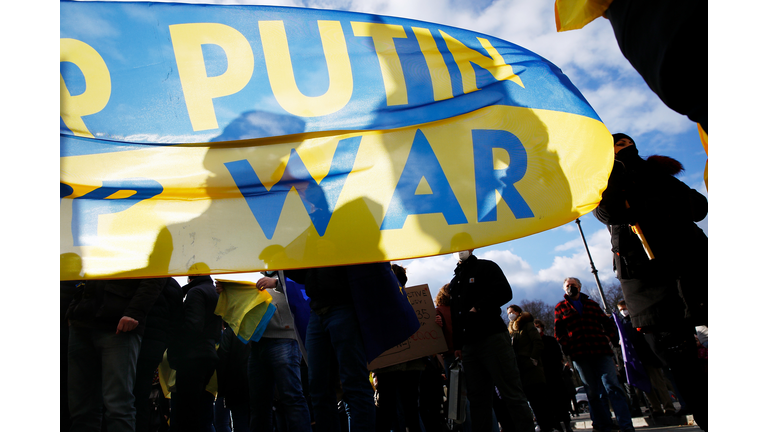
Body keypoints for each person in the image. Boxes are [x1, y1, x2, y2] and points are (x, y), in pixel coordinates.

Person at [593, 133, 708, 429]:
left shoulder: (657, 172)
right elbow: (610, 212)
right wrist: (613, 172)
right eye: (617, 145)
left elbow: (698, 206)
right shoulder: (600, 179)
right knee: (681, 364)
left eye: (627, 142)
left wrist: (655, 203)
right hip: (648, 284)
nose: (625, 146)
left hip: (693, 267)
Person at [448, 249, 535, 432]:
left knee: (511, 393)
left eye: (463, 246)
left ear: (472, 248)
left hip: (492, 338)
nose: (459, 251)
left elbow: (504, 292)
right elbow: (456, 316)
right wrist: (458, 345)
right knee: (478, 400)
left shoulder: (486, 267)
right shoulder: (454, 282)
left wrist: (477, 308)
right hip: (469, 346)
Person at [66, 277, 166, 432]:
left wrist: (135, 312)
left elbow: (155, 276)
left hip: (117, 322)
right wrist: (74, 309)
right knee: (83, 406)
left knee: (117, 405)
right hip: (86, 320)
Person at [554, 277, 634, 432]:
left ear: (579, 287)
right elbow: (559, 331)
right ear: (564, 289)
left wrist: (609, 337)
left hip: (601, 350)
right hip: (580, 353)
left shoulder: (591, 304)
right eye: (568, 286)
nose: (571, 288)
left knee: (613, 387)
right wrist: (568, 346)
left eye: (574, 285)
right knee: (592, 392)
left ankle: (626, 426)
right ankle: (603, 425)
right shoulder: (560, 307)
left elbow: (608, 323)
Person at [247, 274, 311, 432]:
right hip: (257, 343)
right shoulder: (256, 273)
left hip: (284, 338)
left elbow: (303, 289)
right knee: (259, 404)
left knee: (291, 398)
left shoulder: (287, 273)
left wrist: (276, 283)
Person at [168, 273, 222, 432]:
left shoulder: (196, 292)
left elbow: (193, 326)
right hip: (208, 353)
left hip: (192, 356)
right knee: (197, 413)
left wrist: (175, 342)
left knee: (184, 414)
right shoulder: (213, 291)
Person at [134, 278, 184, 432]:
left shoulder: (140, 279)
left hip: (133, 339)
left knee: (123, 394)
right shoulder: (174, 286)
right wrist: (163, 343)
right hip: (154, 347)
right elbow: (177, 322)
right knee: (142, 397)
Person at [616, 301, 675, 418]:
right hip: (636, 359)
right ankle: (656, 408)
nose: (623, 311)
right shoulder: (622, 323)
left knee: (659, 382)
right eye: (621, 309)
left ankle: (668, 407)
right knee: (646, 385)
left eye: (625, 308)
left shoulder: (637, 318)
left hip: (648, 355)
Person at [507, 305, 558, 432]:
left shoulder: (528, 326)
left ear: (518, 312)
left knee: (540, 399)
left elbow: (537, 343)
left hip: (532, 368)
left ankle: (548, 425)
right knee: (532, 400)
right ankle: (542, 423)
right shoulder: (512, 331)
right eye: (508, 313)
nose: (510, 314)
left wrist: (533, 358)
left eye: (512, 312)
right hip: (522, 369)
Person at [534, 319, 573, 432]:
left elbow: (558, 355)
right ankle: (558, 426)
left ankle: (567, 424)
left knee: (562, 401)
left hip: (555, 374)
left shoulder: (550, 340)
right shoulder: (534, 343)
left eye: (538, 326)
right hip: (543, 376)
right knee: (551, 404)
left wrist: (558, 367)